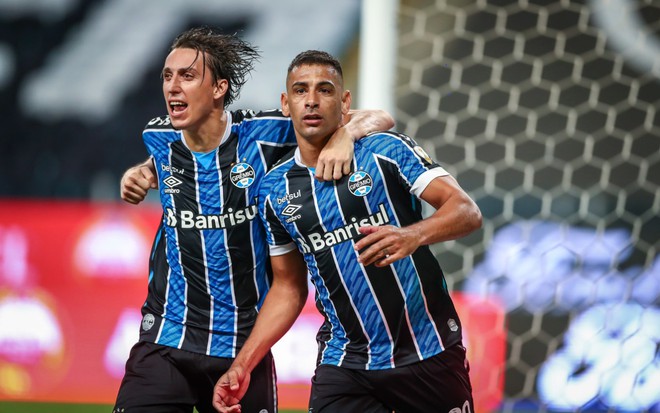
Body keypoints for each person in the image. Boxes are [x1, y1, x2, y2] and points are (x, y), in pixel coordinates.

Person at [114, 27, 394, 413]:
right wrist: (142, 171)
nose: (173, 87)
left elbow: (381, 116)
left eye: (187, 76)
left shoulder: (266, 133)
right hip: (167, 335)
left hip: (242, 347)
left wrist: (346, 135)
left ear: (218, 89)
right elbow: (169, 162)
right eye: (168, 76)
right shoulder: (158, 136)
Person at [213, 50, 482, 413]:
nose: (311, 100)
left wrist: (411, 235)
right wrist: (242, 365)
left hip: (427, 349)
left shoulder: (386, 150)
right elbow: (289, 288)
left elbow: (466, 211)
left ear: (344, 102)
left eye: (324, 90)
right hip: (345, 363)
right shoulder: (273, 190)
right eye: (300, 90)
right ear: (285, 103)